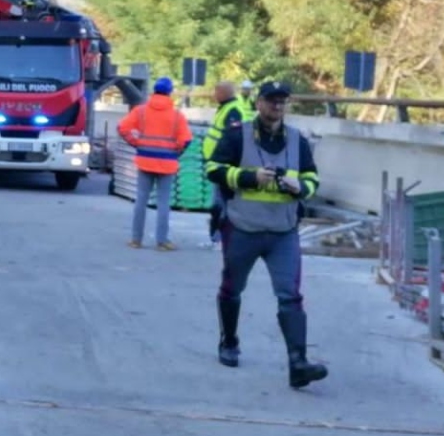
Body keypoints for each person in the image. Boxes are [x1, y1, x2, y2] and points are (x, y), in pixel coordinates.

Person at [206, 80, 329, 389]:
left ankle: (298, 363)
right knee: (232, 288)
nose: (277, 106)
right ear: (259, 103)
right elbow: (212, 169)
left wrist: (302, 188)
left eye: (282, 102)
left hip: (283, 231)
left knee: (291, 295)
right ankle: (229, 341)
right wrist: (248, 177)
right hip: (242, 228)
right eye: (272, 101)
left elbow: (312, 176)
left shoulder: (297, 140)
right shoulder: (238, 135)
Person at [118, 76, 192, 251]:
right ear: (170, 93)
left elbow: (122, 128)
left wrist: (135, 143)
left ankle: (136, 240)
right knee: (163, 202)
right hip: (167, 163)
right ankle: (162, 241)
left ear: (154, 91)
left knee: (141, 200)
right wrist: (177, 152)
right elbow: (186, 140)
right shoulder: (176, 116)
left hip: (144, 160)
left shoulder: (141, 111)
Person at [201, 81, 255, 248]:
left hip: (225, 165)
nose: (214, 95)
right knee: (219, 204)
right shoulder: (226, 107)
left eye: (216, 91)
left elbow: (233, 139)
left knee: (222, 204)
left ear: (224, 93)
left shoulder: (233, 111)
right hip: (216, 163)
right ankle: (217, 238)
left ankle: (221, 239)